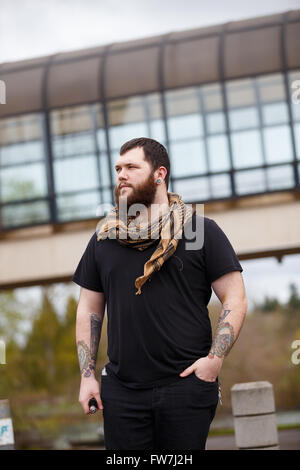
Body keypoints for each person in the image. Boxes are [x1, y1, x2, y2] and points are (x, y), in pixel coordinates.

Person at [72, 137, 247, 450]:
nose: (120, 175)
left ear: (160, 173)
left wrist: (214, 361)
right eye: (117, 169)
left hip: (186, 386)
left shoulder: (199, 231)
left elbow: (235, 298)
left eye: (131, 167)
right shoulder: (105, 239)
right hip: (122, 393)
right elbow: (89, 309)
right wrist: (87, 376)